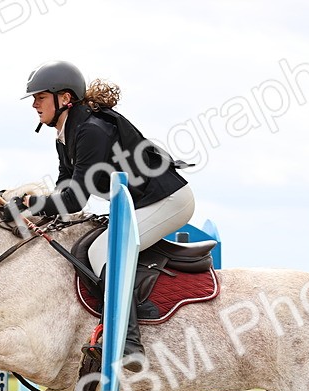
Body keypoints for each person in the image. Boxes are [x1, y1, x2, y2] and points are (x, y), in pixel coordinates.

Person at [17, 60, 194, 369]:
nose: (34, 104)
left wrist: (33, 204)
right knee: (84, 248)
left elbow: (74, 200)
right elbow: (64, 185)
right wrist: (38, 212)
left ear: (65, 98)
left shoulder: (91, 130)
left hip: (168, 201)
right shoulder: (66, 132)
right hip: (141, 204)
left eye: (40, 97)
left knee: (104, 253)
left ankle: (128, 343)